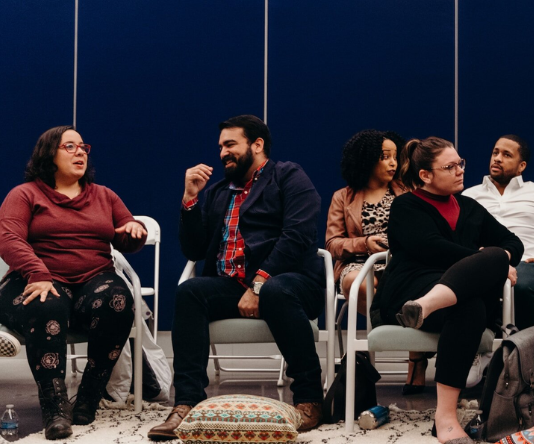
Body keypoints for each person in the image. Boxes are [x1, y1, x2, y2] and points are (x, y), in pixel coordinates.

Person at [149, 115, 327, 439]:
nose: (222, 153)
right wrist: (189, 200)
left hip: (291, 281)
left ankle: (310, 398)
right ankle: (186, 403)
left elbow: (297, 237)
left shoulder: (289, 176)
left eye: (230, 144)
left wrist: (258, 284)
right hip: (234, 285)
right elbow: (195, 248)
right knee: (189, 292)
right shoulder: (219, 192)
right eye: (220, 147)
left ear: (257, 145)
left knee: (274, 289)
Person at [0, 126, 147, 440]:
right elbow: (8, 238)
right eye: (70, 146)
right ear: (49, 153)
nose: (80, 152)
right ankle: (54, 408)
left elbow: (127, 237)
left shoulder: (104, 195)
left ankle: (89, 396)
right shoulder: (25, 194)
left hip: (93, 281)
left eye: (83, 147)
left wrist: (134, 232)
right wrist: (38, 273)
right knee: (45, 303)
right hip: (36, 279)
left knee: (118, 300)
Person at [377, 136, 522, 444]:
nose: (460, 171)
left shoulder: (469, 207)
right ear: (425, 176)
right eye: (450, 166)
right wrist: (485, 259)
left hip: (439, 302)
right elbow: (430, 248)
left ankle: (428, 306)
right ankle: (445, 418)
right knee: (485, 274)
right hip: (409, 290)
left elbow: (514, 243)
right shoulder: (406, 206)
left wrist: (495, 258)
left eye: (461, 163)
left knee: (476, 294)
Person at [324, 129, 428, 394]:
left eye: (395, 157)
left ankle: (416, 361)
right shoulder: (342, 197)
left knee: (418, 287)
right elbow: (332, 244)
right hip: (359, 262)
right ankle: (398, 325)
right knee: (356, 283)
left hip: (401, 261)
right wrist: (364, 243)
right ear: (367, 159)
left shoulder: (408, 191)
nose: (393, 163)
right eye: (385, 157)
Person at [462, 135, 534, 328]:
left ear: (522, 166)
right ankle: (483, 352)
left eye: (506, 155)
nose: (497, 158)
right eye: (495, 152)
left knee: (521, 287)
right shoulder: (469, 196)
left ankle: (523, 353)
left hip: (526, 264)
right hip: (479, 263)